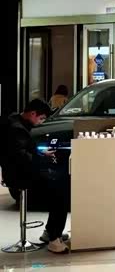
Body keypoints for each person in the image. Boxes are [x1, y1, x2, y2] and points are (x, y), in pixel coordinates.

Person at [2, 99, 70, 254]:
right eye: (41, 118)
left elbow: (23, 151)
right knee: (62, 191)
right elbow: (22, 158)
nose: (41, 122)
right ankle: (54, 238)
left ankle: (50, 232)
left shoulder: (14, 121)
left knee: (60, 184)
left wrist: (41, 153)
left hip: (18, 172)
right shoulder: (17, 129)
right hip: (21, 175)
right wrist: (43, 159)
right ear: (33, 113)